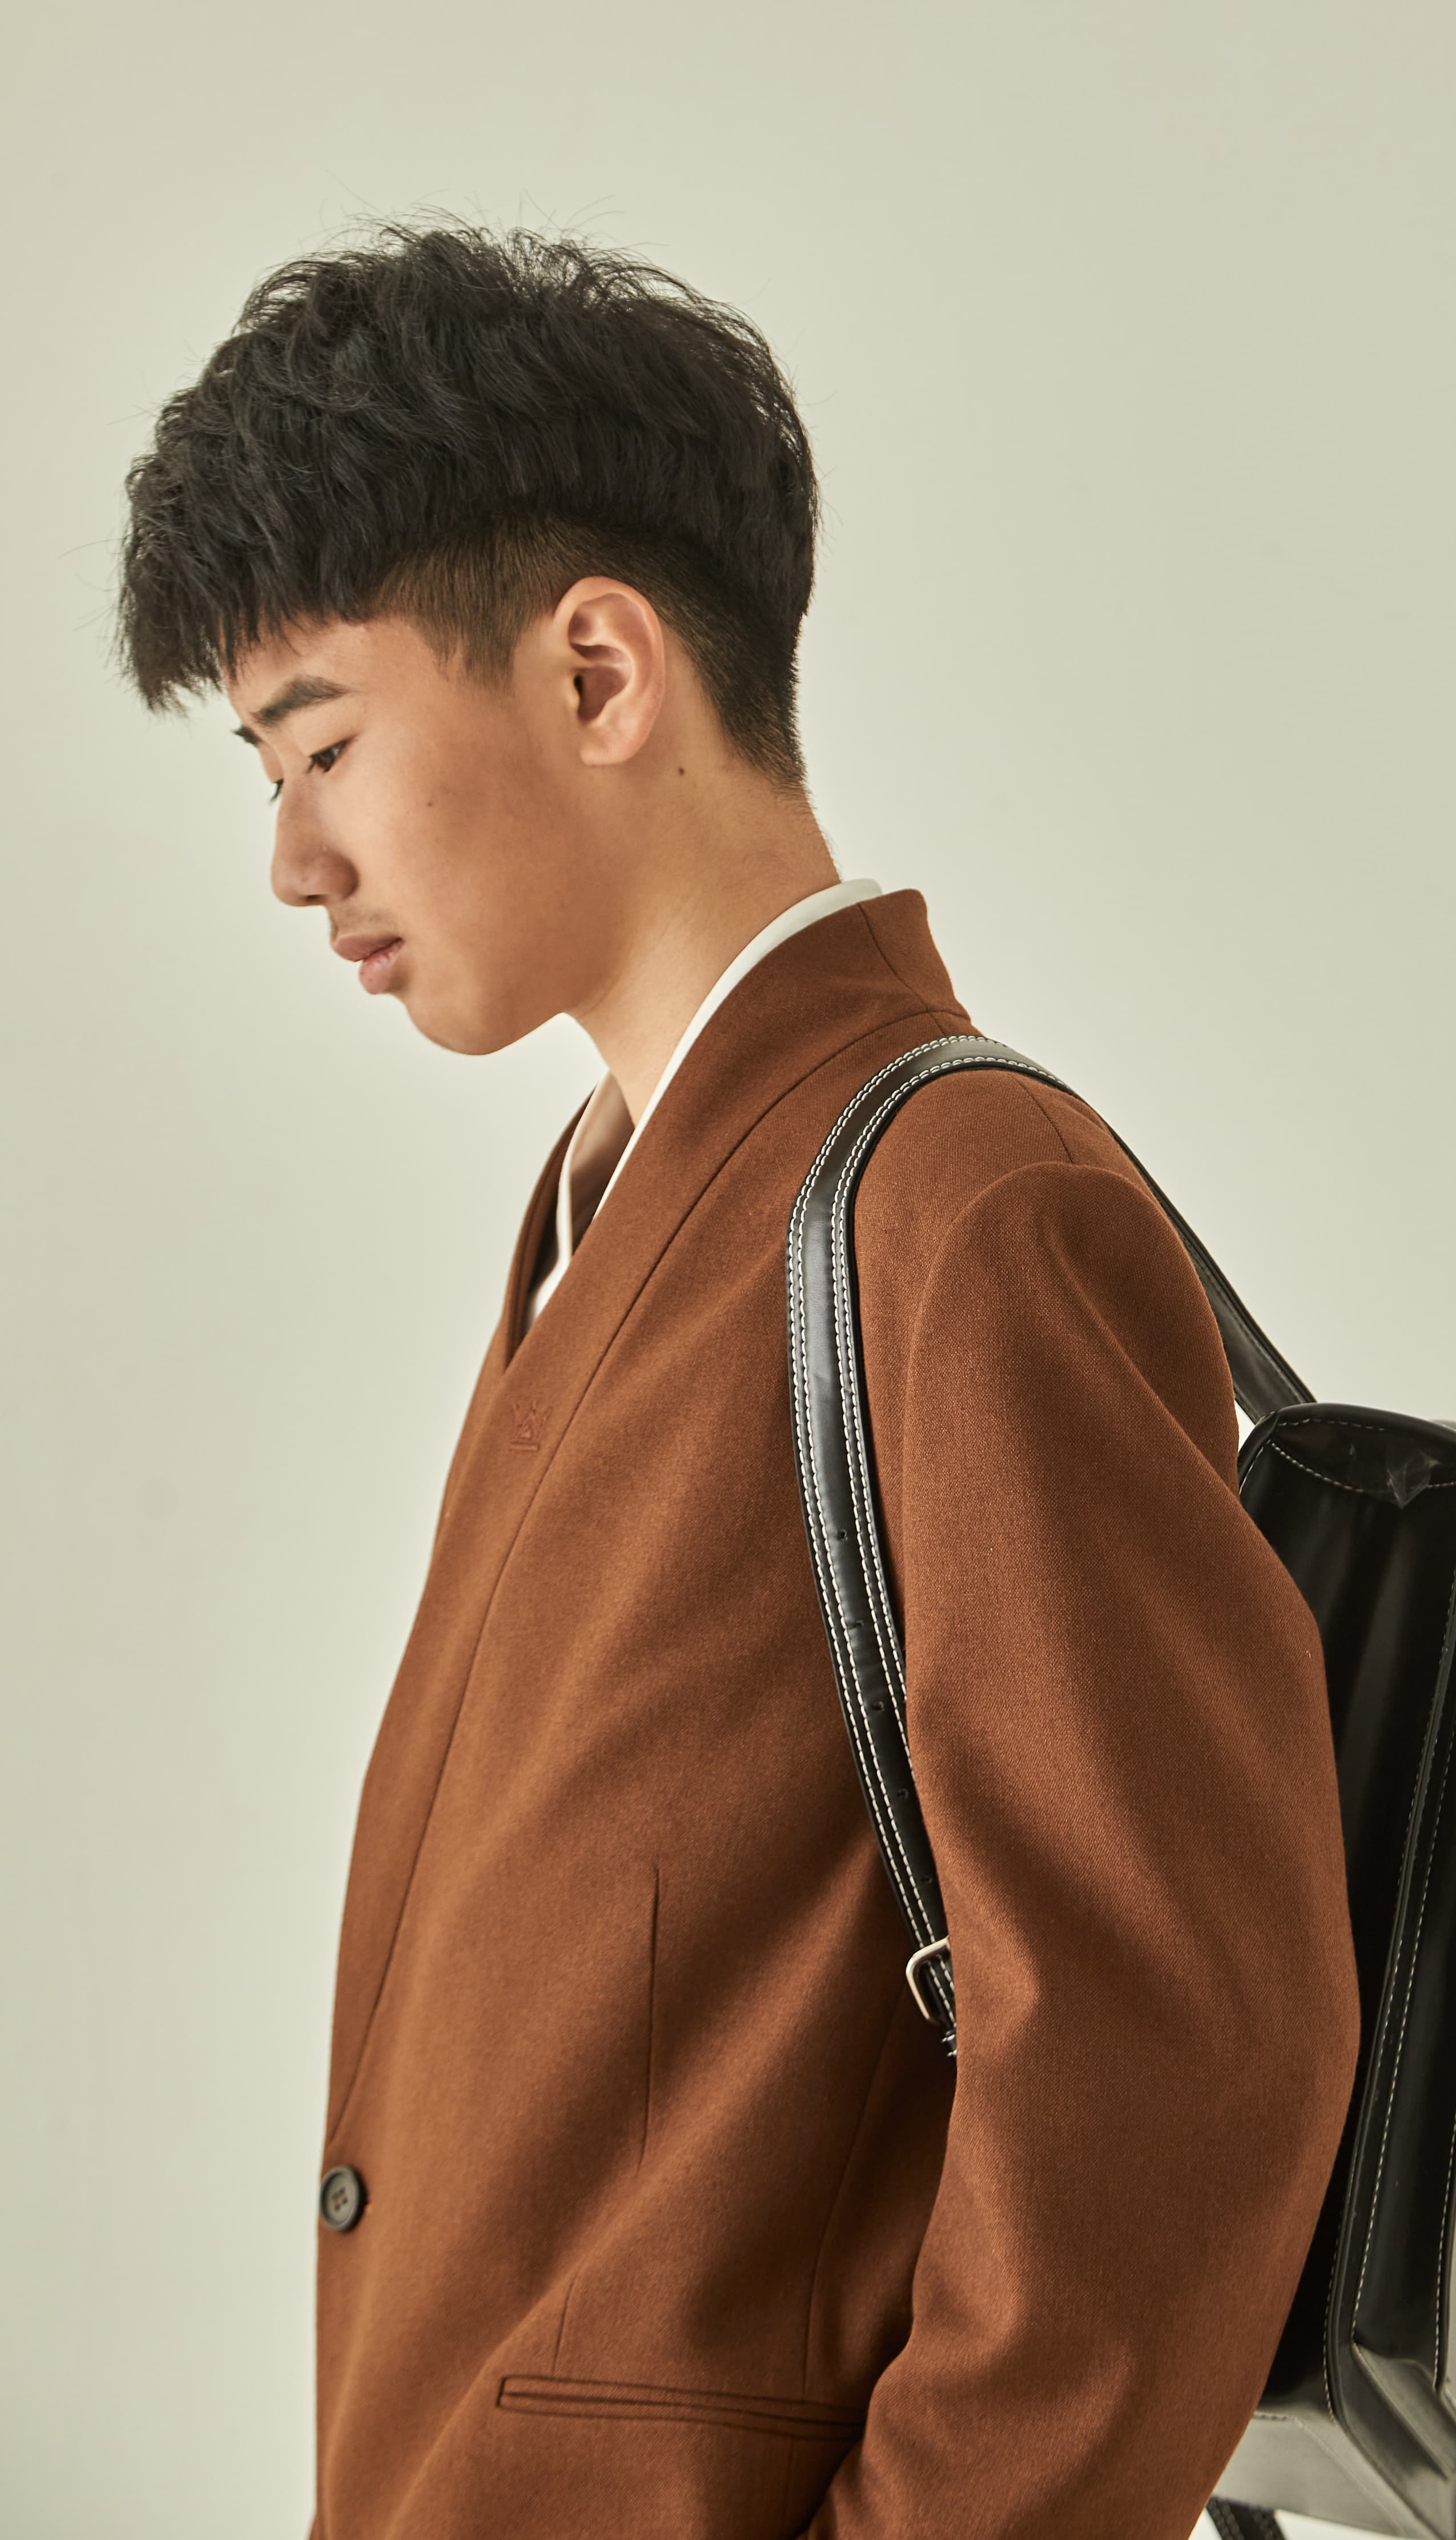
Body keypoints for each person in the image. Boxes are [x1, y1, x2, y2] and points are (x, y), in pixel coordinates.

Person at [117, 226, 1360, 2540]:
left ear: (598, 668)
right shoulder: (613, 1203)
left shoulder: (952, 1210)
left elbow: (1181, 2066)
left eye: (326, 744)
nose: (293, 860)